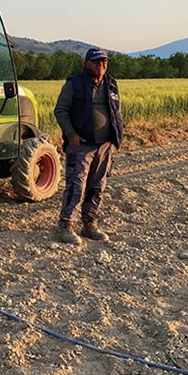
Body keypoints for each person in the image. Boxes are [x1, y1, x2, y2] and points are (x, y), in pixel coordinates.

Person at [52, 47, 123, 245]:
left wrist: (116, 136)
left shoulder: (111, 84)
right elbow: (60, 110)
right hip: (81, 145)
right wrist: (71, 134)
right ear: (87, 64)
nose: (102, 65)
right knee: (77, 186)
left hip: (104, 145)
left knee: (97, 186)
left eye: (104, 62)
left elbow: (116, 111)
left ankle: (90, 224)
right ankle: (66, 225)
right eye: (97, 62)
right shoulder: (74, 84)